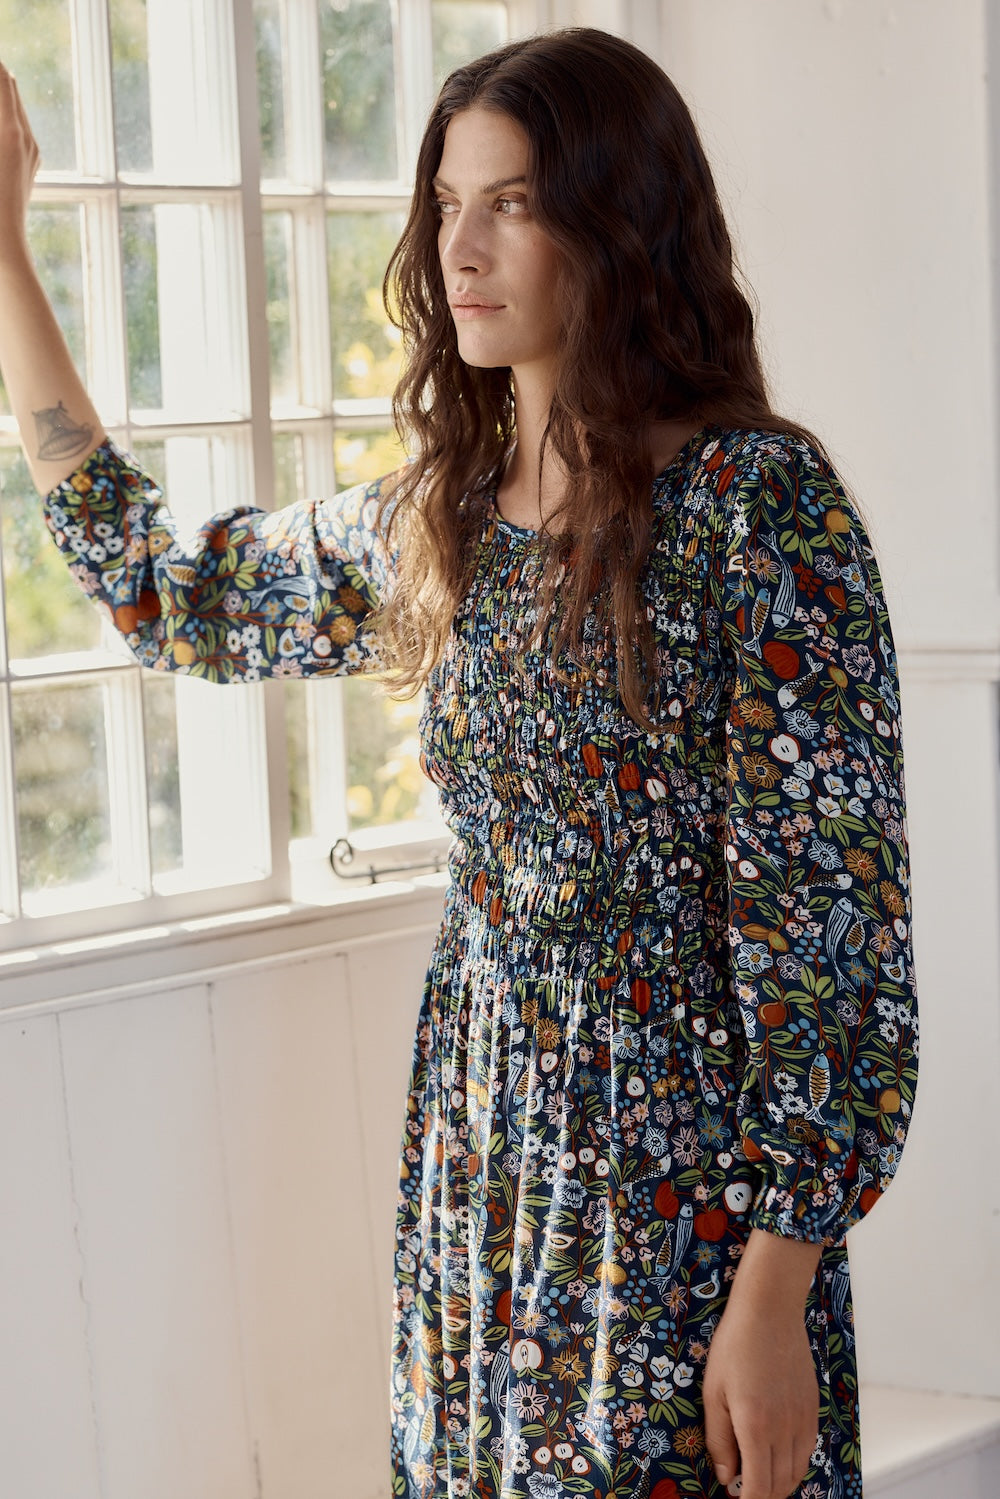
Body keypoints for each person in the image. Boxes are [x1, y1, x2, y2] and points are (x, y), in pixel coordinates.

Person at [0, 27, 918, 1499]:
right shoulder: (444, 521)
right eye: (445, 205)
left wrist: (776, 1289)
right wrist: (9, 263)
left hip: (679, 1199)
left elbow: (831, 938)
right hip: (481, 1168)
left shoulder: (759, 507)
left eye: (514, 202)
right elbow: (171, 593)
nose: (462, 249)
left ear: (618, 222)